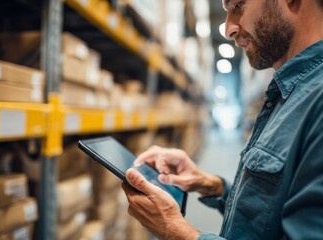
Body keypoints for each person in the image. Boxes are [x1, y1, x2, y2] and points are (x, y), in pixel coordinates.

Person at [121, 0, 323, 239]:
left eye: (238, 5)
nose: (229, 30)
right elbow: (270, 214)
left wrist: (176, 231)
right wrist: (209, 185)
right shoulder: (288, 94)